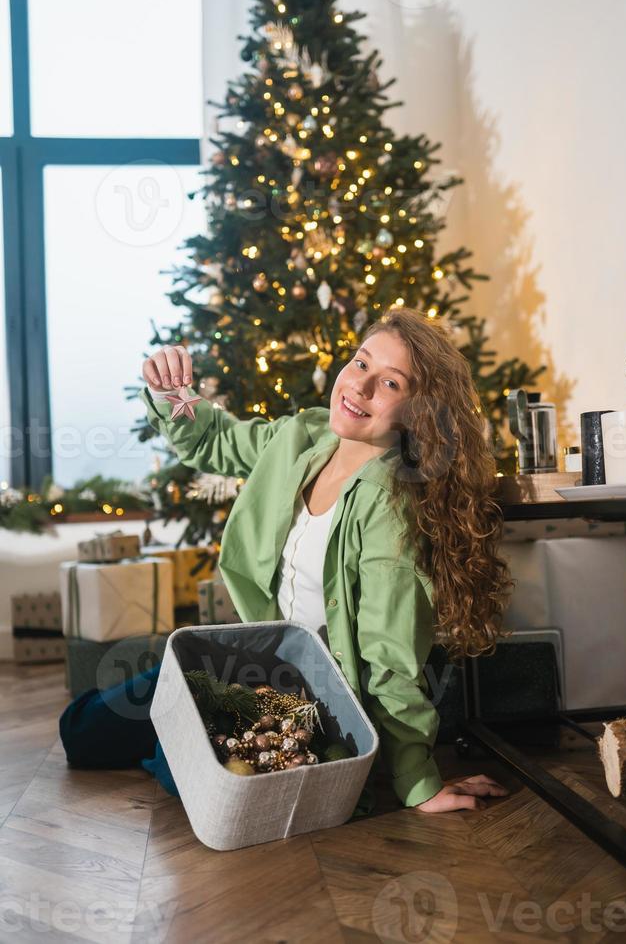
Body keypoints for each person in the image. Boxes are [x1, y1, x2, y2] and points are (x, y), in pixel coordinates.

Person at [60, 306, 511, 814]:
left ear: (418, 411)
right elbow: (216, 440)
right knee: (79, 733)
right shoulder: (304, 436)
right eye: (361, 364)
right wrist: (172, 394)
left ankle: (212, 740)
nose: (360, 388)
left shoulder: (390, 505)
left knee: (174, 764)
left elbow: (391, 655)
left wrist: (417, 784)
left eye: (390, 384)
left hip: (311, 696)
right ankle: (191, 724)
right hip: (252, 661)